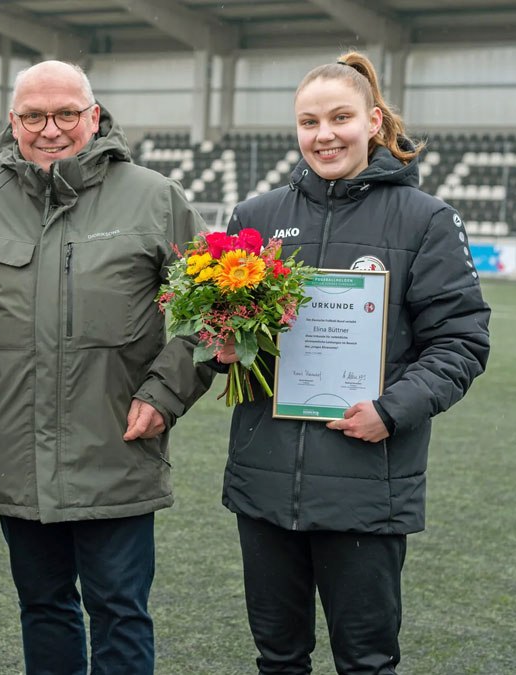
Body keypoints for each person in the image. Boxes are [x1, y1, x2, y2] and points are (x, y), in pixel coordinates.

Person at [0, 60, 214, 674]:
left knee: (120, 611)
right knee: (44, 607)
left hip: (116, 446)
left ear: (94, 116)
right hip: (16, 453)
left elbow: (210, 311)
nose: (50, 129)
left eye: (65, 114)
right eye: (34, 116)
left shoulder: (155, 198)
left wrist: (164, 394)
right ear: (13, 122)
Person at [214, 50, 491, 674]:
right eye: (309, 122)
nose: (324, 135)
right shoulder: (255, 218)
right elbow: (229, 335)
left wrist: (390, 411)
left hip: (368, 483)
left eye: (340, 118)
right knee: (277, 659)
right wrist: (225, 349)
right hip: (265, 481)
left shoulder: (426, 220)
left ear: (373, 121)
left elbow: (461, 341)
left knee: (366, 662)